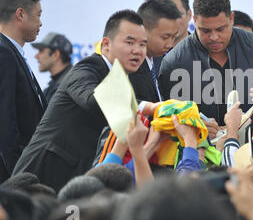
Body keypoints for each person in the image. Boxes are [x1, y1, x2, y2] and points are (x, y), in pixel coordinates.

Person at [12, 10, 158, 191]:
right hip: (41, 174)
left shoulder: (123, 79)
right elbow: (92, 100)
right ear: (106, 44)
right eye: (129, 42)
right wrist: (148, 107)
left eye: (143, 44)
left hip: (77, 177)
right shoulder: (88, 67)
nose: (137, 50)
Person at [159, 0, 253, 127]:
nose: (214, 37)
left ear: (231, 18)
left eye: (220, 29)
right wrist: (196, 127)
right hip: (204, 147)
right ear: (194, 21)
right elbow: (169, 120)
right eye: (205, 30)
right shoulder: (173, 62)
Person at [0, 0, 47, 183]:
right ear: (20, 14)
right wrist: (19, 178)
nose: (41, 23)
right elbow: (5, 121)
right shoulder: (4, 53)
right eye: (38, 15)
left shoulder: (11, 52)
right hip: (15, 177)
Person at [129, 0, 180, 104]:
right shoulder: (129, 68)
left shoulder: (159, 61)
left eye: (174, 37)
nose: (170, 44)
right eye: (165, 37)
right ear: (143, 29)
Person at [32, 32, 73, 103]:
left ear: (56, 54)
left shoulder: (73, 84)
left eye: (41, 51)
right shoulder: (53, 86)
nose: (36, 56)